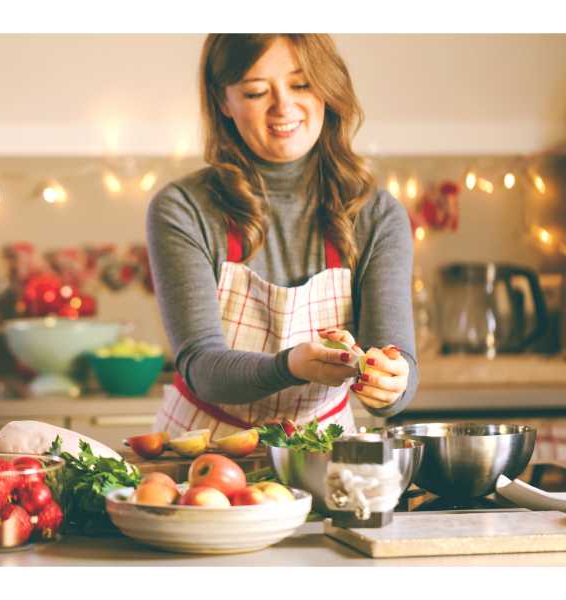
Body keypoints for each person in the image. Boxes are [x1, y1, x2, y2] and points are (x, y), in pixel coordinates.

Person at [147, 33, 417, 441]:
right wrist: (288, 365)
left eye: (302, 83)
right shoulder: (183, 208)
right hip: (203, 449)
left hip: (321, 450)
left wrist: (392, 383)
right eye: (257, 92)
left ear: (328, 86)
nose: (284, 106)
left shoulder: (377, 215)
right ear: (223, 100)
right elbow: (201, 365)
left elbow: (397, 361)